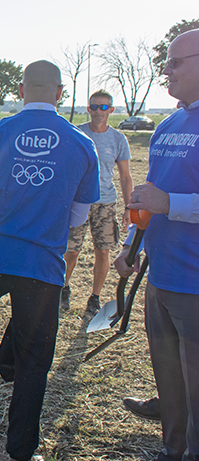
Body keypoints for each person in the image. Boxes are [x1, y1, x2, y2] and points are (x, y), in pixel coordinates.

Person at [0, 60, 100, 461]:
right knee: (34, 359)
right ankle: (21, 448)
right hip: (43, 265)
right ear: (60, 93)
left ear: (20, 89)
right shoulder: (84, 146)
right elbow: (79, 216)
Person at [114, 28, 199, 461]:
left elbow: (164, 198)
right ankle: (172, 450)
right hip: (161, 277)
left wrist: (171, 204)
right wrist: (132, 244)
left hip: (195, 285)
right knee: (170, 379)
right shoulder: (168, 126)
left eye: (175, 62)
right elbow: (150, 193)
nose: (166, 70)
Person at [62, 89, 133, 315]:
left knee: (103, 251)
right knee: (71, 251)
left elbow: (125, 176)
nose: (98, 111)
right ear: (88, 108)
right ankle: (63, 288)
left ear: (111, 110)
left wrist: (129, 207)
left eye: (103, 107)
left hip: (106, 203)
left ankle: (95, 297)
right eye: (94, 107)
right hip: (79, 202)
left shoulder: (118, 139)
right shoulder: (76, 133)